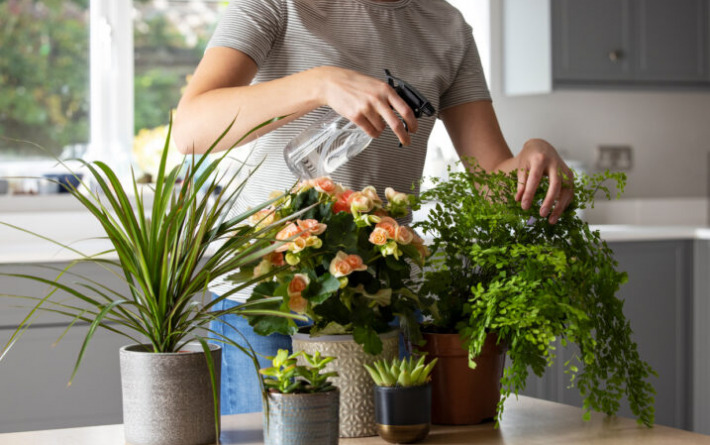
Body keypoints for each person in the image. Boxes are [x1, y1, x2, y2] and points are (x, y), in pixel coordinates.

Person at [173, 0, 574, 415]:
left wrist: (533, 157)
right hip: (267, 302)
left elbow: (493, 185)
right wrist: (321, 83)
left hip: (378, 302)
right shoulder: (275, 6)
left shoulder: (447, 26)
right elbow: (190, 129)